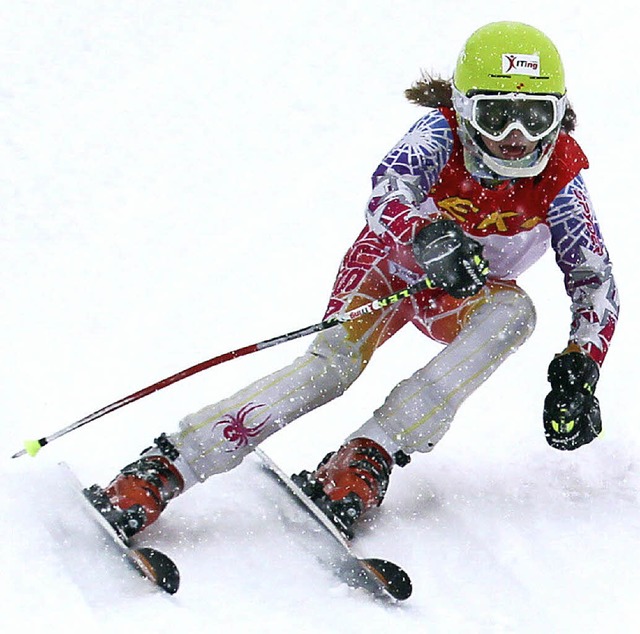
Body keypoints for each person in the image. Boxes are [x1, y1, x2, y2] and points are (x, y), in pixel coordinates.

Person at [86, 21, 619, 541]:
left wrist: (581, 365)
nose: (515, 138)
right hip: (390, 272)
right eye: (497, 115)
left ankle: (371, 453)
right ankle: (166, 465)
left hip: (461, 292)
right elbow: (386, 193)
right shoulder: (439, 135)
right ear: (462, 109)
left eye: (534, 116)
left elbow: (594, 278)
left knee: (513, 315)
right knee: (330, 371)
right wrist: (425, 238)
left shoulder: (560, 177)